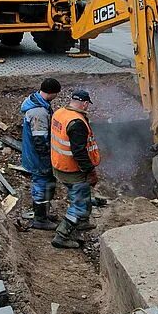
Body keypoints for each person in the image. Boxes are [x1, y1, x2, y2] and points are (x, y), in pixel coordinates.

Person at [50, 90, 101, 249]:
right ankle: (62, 236)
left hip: (59, 165)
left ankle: (82, 223)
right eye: (87, 105)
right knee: (78, 203)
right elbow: (79, 152)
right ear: (85, 103)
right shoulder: (77, 123)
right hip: (73, 170)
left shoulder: (60, 113)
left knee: (80, 196)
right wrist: (90, 171)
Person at [20, 78, 62, 230]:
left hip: (35, 154)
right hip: (38, 157)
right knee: (41, 184)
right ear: (51, 93)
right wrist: (47, 158)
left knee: (46, 183)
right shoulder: (39, 112)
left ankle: (44, 212)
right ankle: (40, 219)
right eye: (56, 94)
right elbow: (40, 139)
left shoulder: (37, 102)